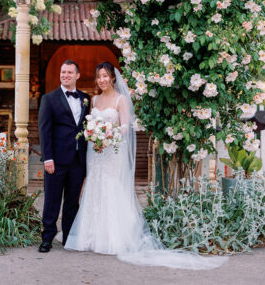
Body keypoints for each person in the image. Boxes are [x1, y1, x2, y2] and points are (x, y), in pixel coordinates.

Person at [64, 61, 227, 270]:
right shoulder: (94, 100)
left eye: (105, 75)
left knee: (111, 188)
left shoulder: (121, 99)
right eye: (99, 76)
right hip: (95, 154)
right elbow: (89, 124)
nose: (102, 80)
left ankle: (112, 238)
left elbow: (125, 128)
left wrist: (107, 136)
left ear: (113, 77)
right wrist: (93, 135)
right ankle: (90, 236)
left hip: (112, 152)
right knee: (94, 187)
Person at [38, 59, 90, 253]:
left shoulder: (86, 99)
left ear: (77, 75)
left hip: (78, 159)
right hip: (57, 160)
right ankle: (47, 238)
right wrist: (48, 158)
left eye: (69, 72)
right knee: (52, 200)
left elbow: (86, 128)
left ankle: (69, 237)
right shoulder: (49, 99)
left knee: (71, 201)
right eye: (63, 72)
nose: (65, 75)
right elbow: (44, 130)